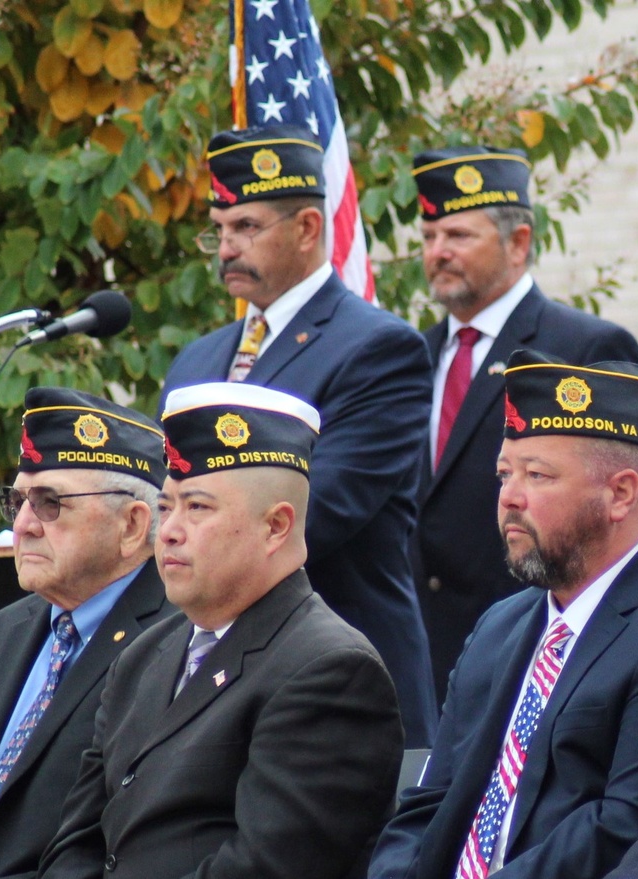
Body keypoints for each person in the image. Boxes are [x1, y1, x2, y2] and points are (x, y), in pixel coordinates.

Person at [39, 383, 405, 879]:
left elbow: (264, 868)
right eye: (166, 507)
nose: (167, 531)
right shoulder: (144, 656)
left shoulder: (329, 670)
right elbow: (76, 844)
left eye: (198, 508)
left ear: (275, 527)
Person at [160, 123, 437, 747]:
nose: (226, 248)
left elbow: (318, 510)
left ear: (309, 228)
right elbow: (165, 493)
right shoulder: (198, 363)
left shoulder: (378, 349)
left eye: (246, 228)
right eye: (220, 230)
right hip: (211, 683)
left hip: (342, 681)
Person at [368, 349, 638, 879]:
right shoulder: (501, 627)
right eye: (503, 474)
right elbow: (429, 801)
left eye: (537, 475)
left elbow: (630, 829)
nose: (509, 497)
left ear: (621, 493)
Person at [0, 388, 176, 879]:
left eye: (49, 504)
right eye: (16, 501)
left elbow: (120, 849)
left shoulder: (173, 644)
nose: (22, 525)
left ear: (132, 525)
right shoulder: (1, 635)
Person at [410, 145, 638, 703]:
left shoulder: (582, 346)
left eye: (458, 236)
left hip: (534, 650)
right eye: (427, 238)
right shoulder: (412, 356)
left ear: (518, 242)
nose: (437, 252)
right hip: (421, 661)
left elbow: (619, 517)